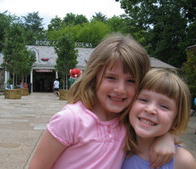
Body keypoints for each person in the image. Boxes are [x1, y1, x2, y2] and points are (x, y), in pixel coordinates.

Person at [28, 34, 175, 169]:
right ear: (94, 77)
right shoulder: (70, 119)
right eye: (111, 78)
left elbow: (153, 127)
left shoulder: (127, 120)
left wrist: (166, 137)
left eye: (131, 81)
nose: (120, 89)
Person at [121, 68, 196, 169]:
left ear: (176, 119)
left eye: (164, 106)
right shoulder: (116, 141)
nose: (150, 109)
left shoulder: (183, 162)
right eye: (143, 99)